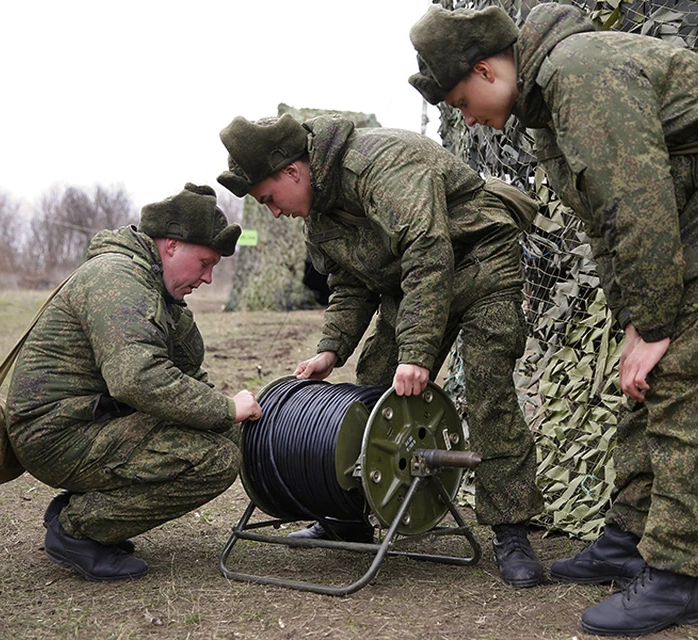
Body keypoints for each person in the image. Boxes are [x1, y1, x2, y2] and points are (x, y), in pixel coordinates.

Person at [409, 3, 698, 636]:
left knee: (687, 386)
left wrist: (655, 329)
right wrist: (635, 319)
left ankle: (678, 576)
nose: (465, 118)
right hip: (692, 220)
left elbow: (638, 203)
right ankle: (629, 539)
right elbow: (604, 222)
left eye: (460, 101)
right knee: (646, 386)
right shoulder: (544, 103)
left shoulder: (581, 75)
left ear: (487, 71)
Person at [217, 112, 546, 588]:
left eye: (270, 199)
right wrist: (331, 350)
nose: (274, 212)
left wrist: (417, 354)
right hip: (414, 285)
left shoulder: (380, 164)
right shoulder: (320, 215)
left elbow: (427, 254)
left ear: (292, 172)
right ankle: (348, 512)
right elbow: (350, 283)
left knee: (487, 384)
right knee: (374, 379)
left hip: (479, 268)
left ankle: (511, 530)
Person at [6, 183, 262, 582]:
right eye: (205, 263)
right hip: (56, 435)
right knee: (214, 460)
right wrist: (226, 408)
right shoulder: (118, 278)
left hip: (90, 423)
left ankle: (87, 508)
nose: (208, 278)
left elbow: (183, 371)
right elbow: (136, 378)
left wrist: (232, 419)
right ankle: (77, 529)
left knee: (228, 436)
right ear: (172, 246)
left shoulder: (155, 287)